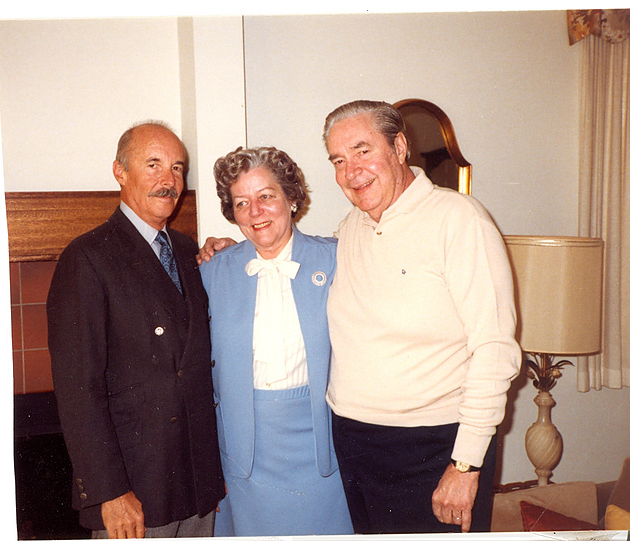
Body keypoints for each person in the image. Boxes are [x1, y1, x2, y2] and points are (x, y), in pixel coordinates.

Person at [322, 100, 521, 534]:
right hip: (354, 441)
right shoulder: (349, 227)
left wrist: (465, 464)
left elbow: (494, 349)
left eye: (362, 151)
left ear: (399, 147)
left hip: (435, 447)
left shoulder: (459, 220)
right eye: (338, 160)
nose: (351, 171)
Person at [47, 121, 225, 539]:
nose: (170, 180)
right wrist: (110, 492)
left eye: (178, 168)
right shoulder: (87, 258)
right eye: (154, 165)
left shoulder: (187, 250)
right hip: (135, 491)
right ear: (120, 172)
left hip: (196, 484)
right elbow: (78, 389)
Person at [199, 146, 353, 537]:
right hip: (246, 449)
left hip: (323, 443)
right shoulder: (212, 272)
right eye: (242, 202)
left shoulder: (338, 259)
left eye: (266, 196)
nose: (255, 212)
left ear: (292, 197)